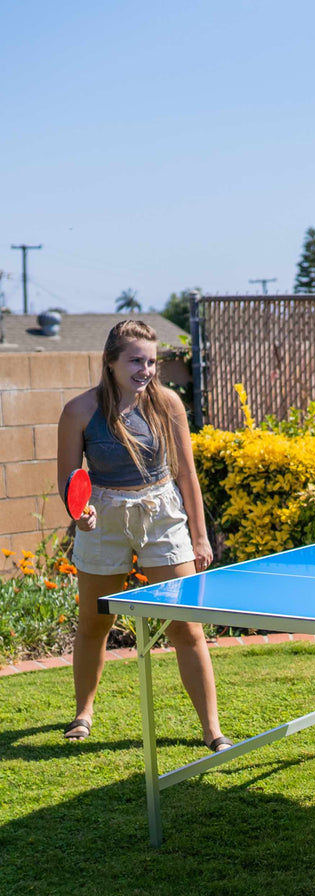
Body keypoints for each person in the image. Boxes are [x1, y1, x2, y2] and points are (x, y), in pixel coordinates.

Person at [56, 319, 233, 754]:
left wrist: (200, 536)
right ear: (111, 362)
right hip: (105, 517)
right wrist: (80, 514)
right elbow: (68, 478)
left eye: (152, 361)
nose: (146, 369)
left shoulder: (168, 404)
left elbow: (186, 473)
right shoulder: (79, 411)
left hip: (161, 515)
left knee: (185, 626)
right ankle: (83, 713)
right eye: (136, 360)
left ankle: (211, 729)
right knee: (96, 622)